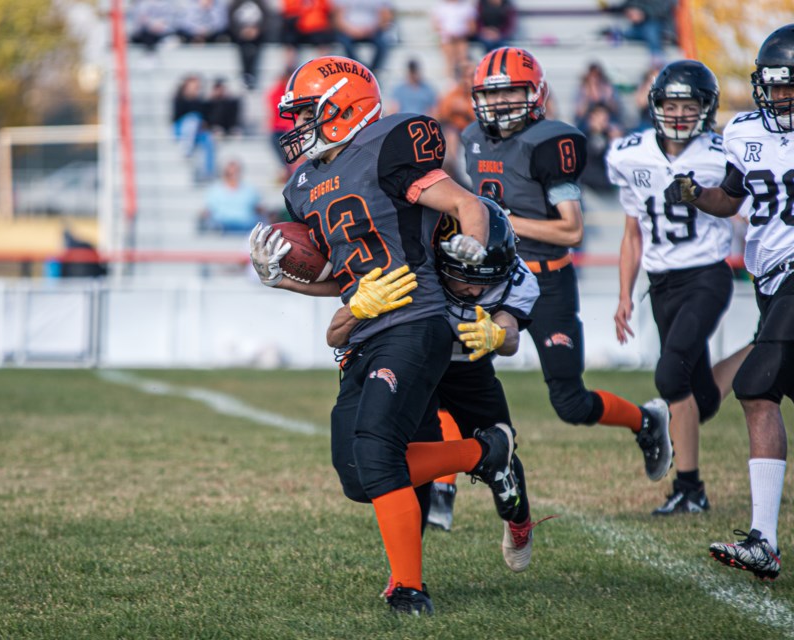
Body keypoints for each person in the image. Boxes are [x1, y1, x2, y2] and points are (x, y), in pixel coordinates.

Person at [249, 55, 511, 615]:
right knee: (354, 473)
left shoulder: (392, 143)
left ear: (342, 109)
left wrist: (473, 242)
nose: (295, 128)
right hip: (362, 331)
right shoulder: (303, 184)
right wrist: (285, 282)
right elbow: (338, 276)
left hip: (415, 319)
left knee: (377, 447)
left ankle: (407, 586)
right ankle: (485, 452)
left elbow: (467, 204)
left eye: (305, 115)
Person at [461, 46, 673, 484]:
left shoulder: (549, 143)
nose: (500, 103)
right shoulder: (472, 139)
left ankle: (646, 421)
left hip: (545, 281)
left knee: (570, 403)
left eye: (511, 93)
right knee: (451, 376)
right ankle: (443, 489)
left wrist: (497, 220)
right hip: (492, 284)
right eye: (491, 94)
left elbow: (571, 231)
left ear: (535, 93)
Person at [325, 201, 548, 575]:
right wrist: (354, 307)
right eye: (465, 277)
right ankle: (406, 573)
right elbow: (334, 334)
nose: (475, 290)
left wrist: (497, 336)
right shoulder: (414, 262)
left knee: (504, 453)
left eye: (486, 279)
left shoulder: (516, 277)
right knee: (410, 457)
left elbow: (510, 333)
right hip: (412, 364)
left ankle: (519, 520)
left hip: (467, 367)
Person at [665, 24, 794, 580]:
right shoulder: (743, 130)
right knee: (769, 393)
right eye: (775, 86)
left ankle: (764, 539)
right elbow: (734, 197)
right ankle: (765, 541)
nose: (781, 97)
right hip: (768, 277)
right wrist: (697, 195)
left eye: (791, 86)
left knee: (754, 384)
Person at [607, 60, 752, 515]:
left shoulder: (720, 152)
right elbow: (632, 233)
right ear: (656, 105)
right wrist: (624, 294)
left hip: (707, 276)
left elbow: (739, 208)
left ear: (706, 109)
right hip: (661, 283)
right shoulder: (630, 154)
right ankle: (764, 346)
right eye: (671, 104)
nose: (680, 113)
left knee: (670, 377)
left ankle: (690, 488)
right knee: (698, 398)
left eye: (689, 105)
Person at [200, 158, 265, 233]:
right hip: (223, 224)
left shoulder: (250, 190)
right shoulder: (215, 190)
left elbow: (259, 209)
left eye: (236, 172)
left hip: (246, 224)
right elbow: (208, 210)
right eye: (229, 174)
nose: (233, 176)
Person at [331, 0, 394, 73]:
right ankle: (357, 69)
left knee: (383, 43)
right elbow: (338, 18)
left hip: (373, 31)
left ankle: (371, 72)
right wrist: (352, 30)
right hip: (349, 31)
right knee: (344, 42)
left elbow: (385, 16)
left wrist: (371, 29)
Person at [228, 0, 269, 90]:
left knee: (255, 49)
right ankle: (246, 74)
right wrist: (240, 31)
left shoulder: (261, 3)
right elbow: (230, 18)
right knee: (243, 49)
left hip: (258, 35)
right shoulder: (236, 3)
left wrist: (257, 30)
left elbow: (266, 18)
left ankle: (251, 75)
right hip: (240, 35)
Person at [431, 0, 476, 81]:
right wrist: (448, 34)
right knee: (449, 50)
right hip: (447, 39)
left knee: (462, 53)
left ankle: (463, 78)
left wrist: (459, 33)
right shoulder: (439, 7)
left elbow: (472, 27)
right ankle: (451, 79)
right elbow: (436, 27)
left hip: (461, 38)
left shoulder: (466, 7)